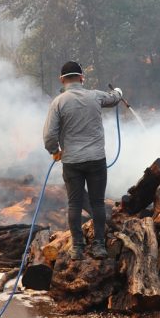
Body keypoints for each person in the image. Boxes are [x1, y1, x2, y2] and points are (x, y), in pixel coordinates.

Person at [43, 61, 123, 260]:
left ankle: (77, 247)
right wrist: (120, 92)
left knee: (74, 204)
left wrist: (55, 151)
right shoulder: (95, 96)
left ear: (62, 80)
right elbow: (114, 99)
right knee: (97, 203)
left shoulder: (58, 102)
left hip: (72, 162)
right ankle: (99, 246)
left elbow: (49, 135)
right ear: (81, 77)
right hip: (96, 159)